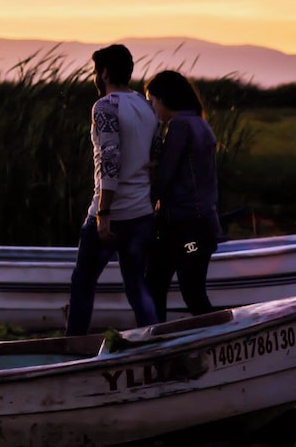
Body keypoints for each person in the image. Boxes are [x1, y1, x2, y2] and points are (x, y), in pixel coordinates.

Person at [65, 44, 160, 335]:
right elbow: (155, 160)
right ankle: (155, 341)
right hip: (141, 212)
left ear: (104, 72)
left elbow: (109, 160)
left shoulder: (105, 107)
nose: (95, 77)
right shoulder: (147, 107)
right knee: (135, 284)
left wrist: (103, 212)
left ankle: (74, 347)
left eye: (96, 71)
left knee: (83, 283)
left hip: (111, 212)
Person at [144, 70, 222, 323]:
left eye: (152, 101)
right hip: (203, 229)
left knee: (157, 283)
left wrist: (144, 204)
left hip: (184, 233)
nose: (151, 108)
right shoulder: (200, 123)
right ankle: (219, 333)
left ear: (164, 98)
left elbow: (165, 177)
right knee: (192, 291)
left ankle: (155, 343)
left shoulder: (180, 125)